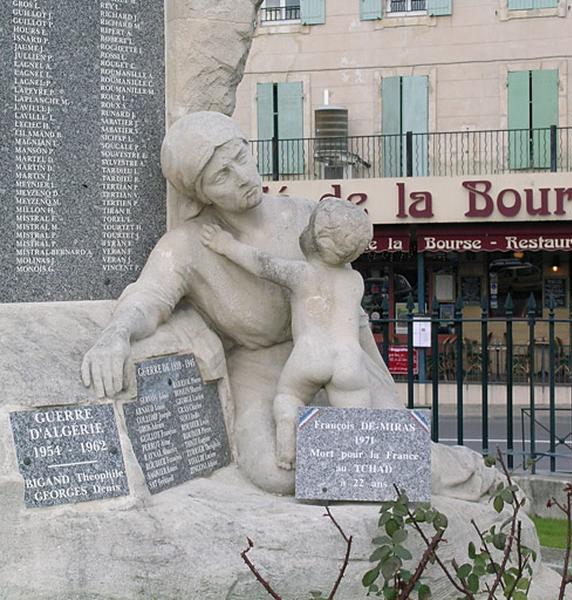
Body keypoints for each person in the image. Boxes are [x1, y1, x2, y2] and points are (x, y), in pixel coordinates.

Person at [81, 111, 499, 499]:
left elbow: (347, 310)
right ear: (201, 193)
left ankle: (449, 469)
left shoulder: (306, 216)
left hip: (334, 354)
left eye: (240, 157)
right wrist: (115, 335)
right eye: (221, 176)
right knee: (272, 471)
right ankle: (361, 474)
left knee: (403, 452)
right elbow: (148, 297)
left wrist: (379, 380)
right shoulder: (189, 245)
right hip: (262, 365)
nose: (242, 177)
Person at [200, 198, 374, 469]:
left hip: (310, 354)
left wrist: (225, 244)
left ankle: (287, 451)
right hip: (350, 360)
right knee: (357, 419)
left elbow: (262, 264)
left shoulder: (303, 274)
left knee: (289, 398)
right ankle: (357, 467)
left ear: (315, 239)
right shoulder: (355, 281)